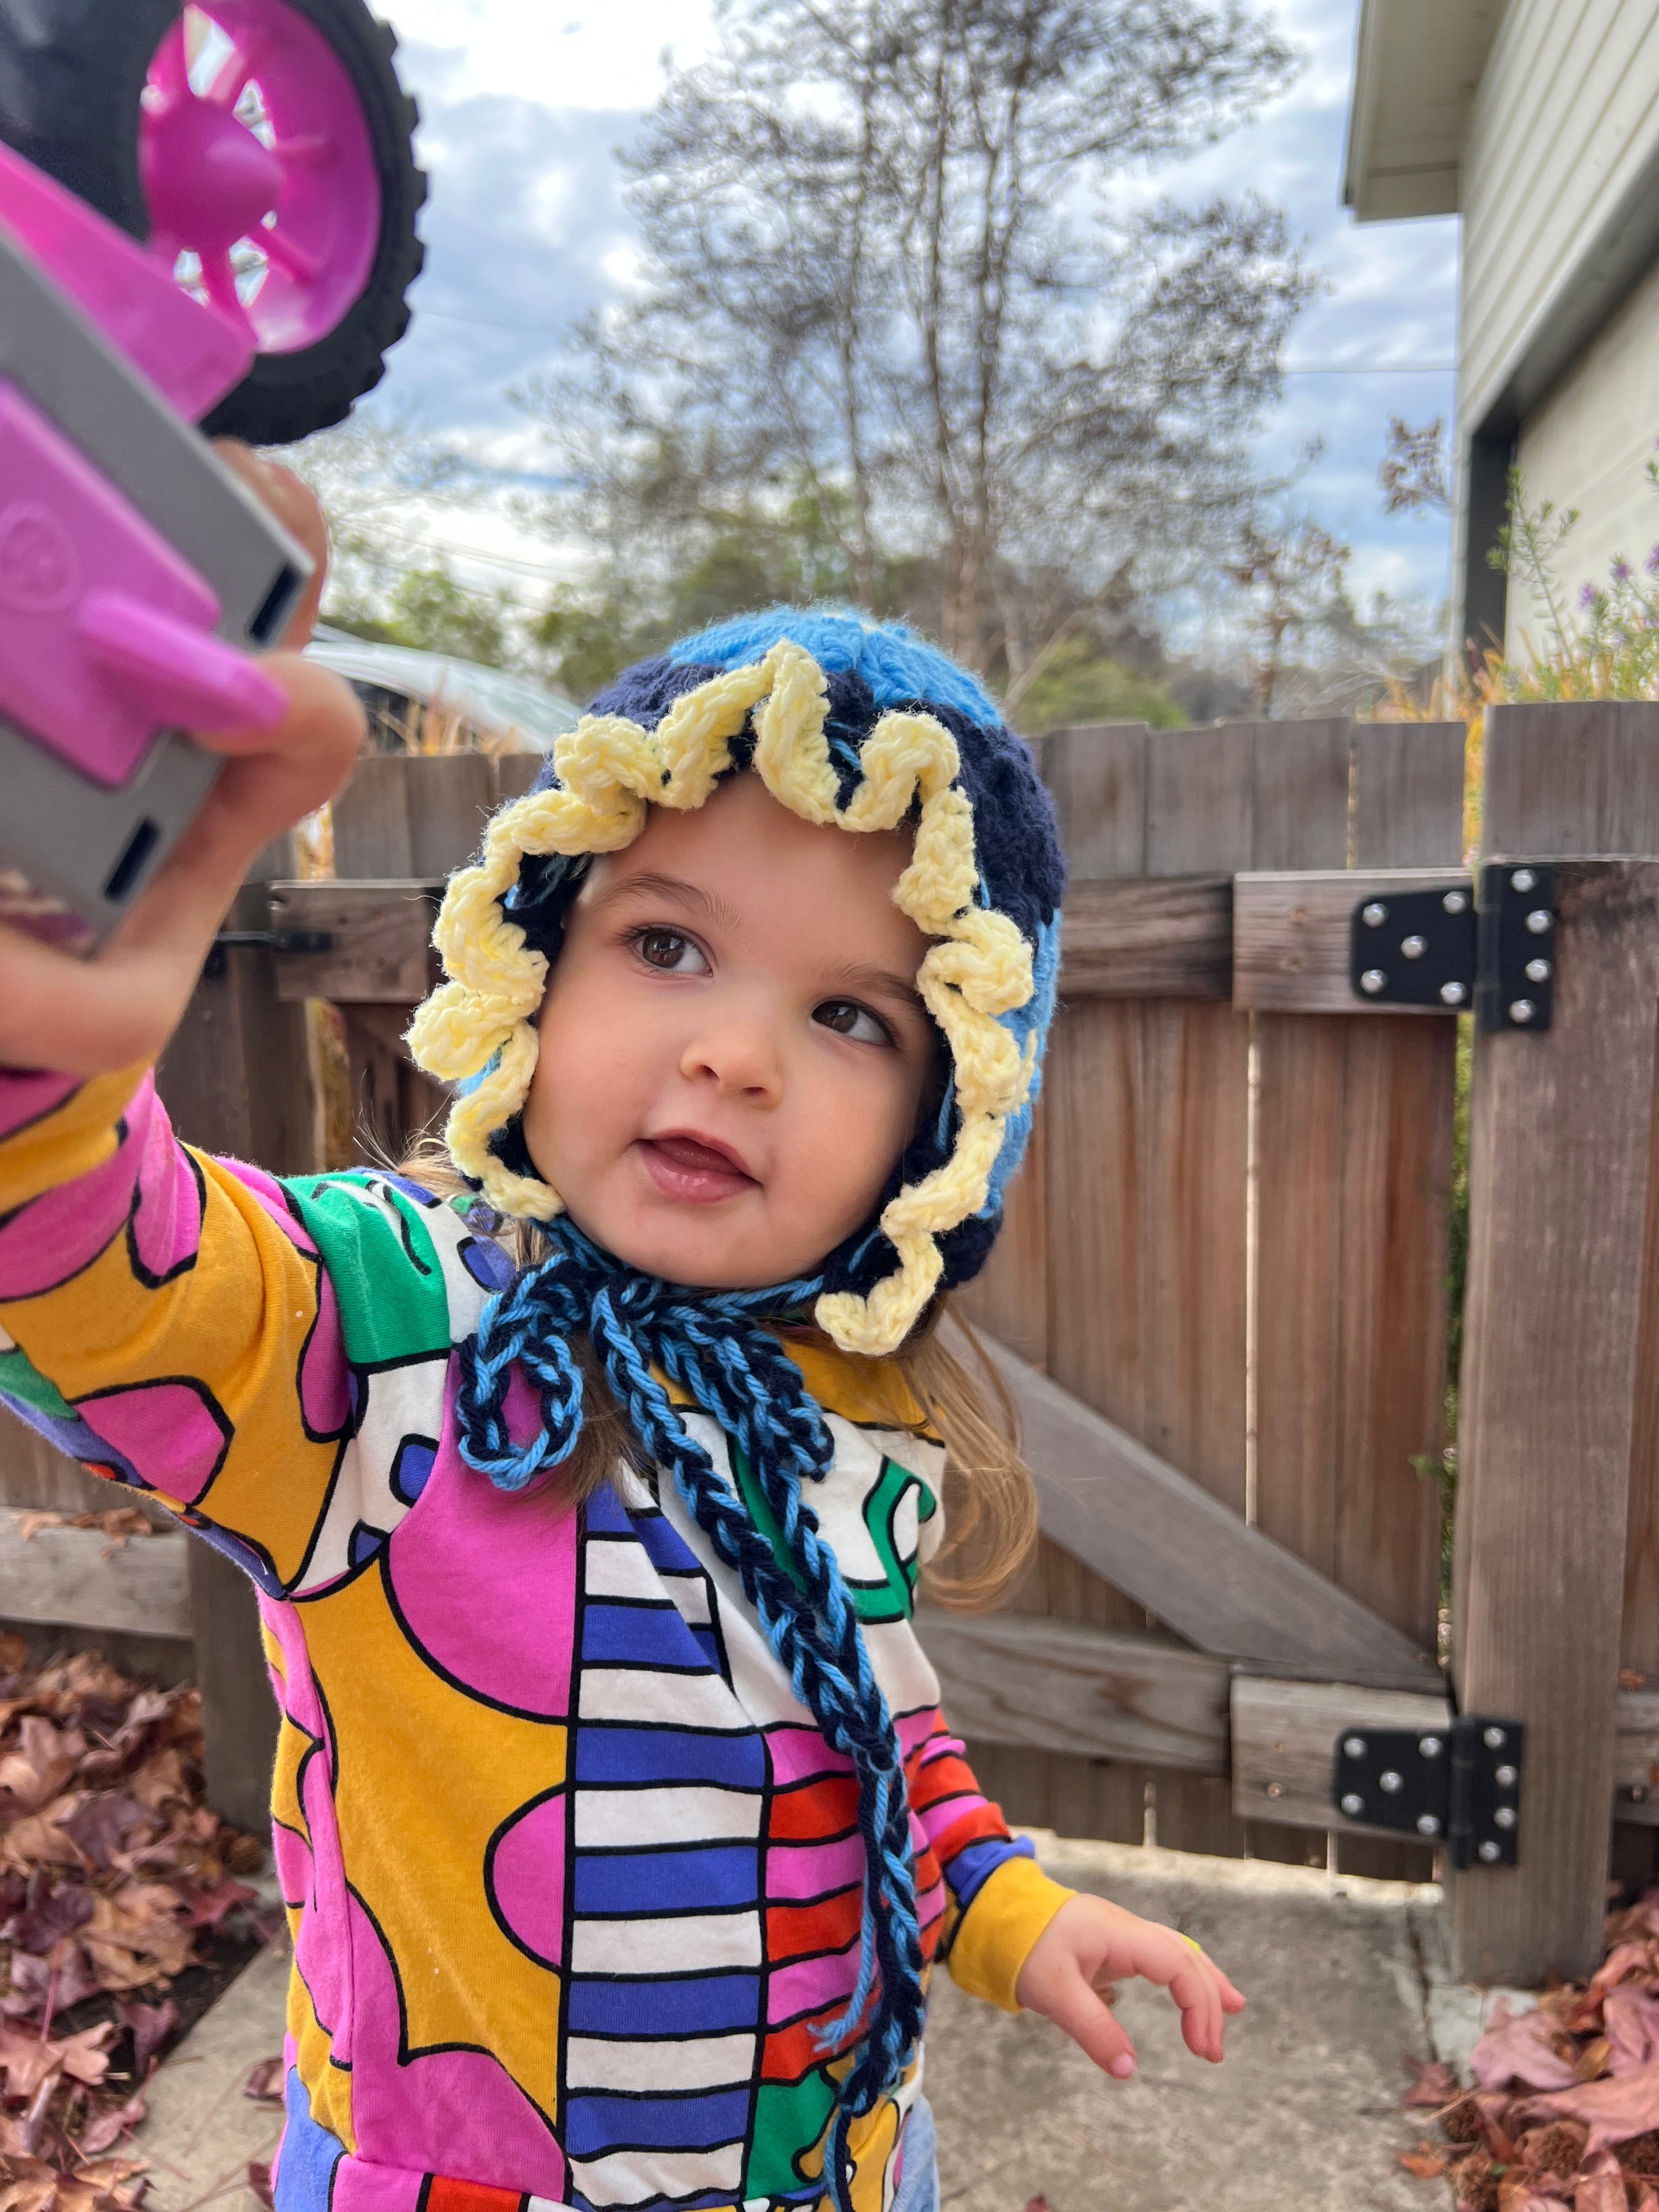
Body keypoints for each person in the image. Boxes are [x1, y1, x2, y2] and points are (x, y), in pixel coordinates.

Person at [0, 456, 1244, 2212]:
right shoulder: (382, 1340)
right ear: (536, 966)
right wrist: (41, 1065)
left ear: (938, 1135)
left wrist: (1007, 1908)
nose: (739, 1054)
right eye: (669, 943)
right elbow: (96, 1280)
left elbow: (878, 1745)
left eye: (846, 1013)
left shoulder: (842, 1409)